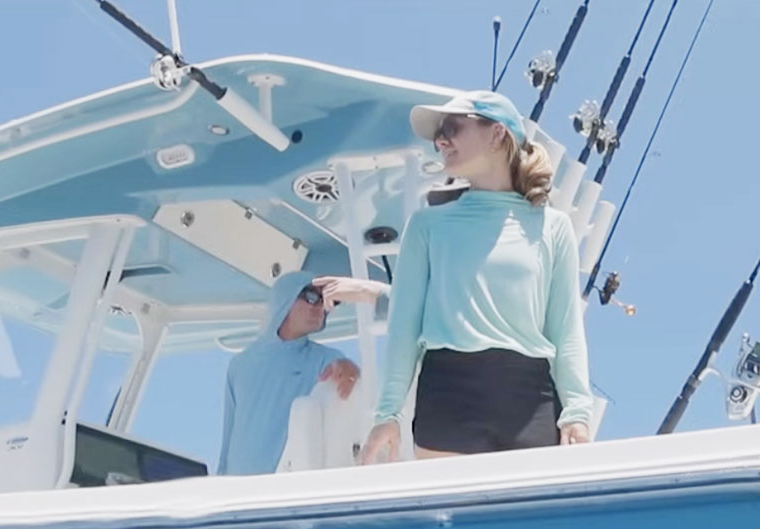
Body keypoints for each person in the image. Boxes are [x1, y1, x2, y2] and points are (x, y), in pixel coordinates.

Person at [360, 90, 592, 464]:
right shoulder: (426, 226)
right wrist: (387, 414)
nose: (440, 141)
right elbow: (404, 328)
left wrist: (577, 413)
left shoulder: (554, 227)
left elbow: (566, 330)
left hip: (530, 399)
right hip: (449, 395)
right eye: (438, 135)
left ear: (497, 133)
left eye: (451, 128)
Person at [217, 271, 383, 475]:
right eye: (311, 297)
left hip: (287, 482)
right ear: (285, 297)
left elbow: (351, 379)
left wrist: (350, 369)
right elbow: (229, 432)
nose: (320, 306)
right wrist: (220, 479)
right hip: (238, 486)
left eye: (326, 300)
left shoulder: (328, 360)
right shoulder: (240, 364)